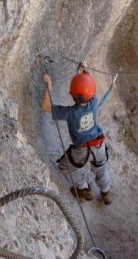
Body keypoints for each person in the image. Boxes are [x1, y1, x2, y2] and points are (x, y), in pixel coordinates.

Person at [41, 63, 117, 205]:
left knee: (65, 166)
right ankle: (106, 192)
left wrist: (48, 86)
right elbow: (91, 86)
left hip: (81, 151)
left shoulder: (70, 113)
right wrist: (85, 70)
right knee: (101, 168)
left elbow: (46, 106)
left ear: (72, 95)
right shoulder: (93, 102)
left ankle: (83, 188)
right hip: (99, 144)